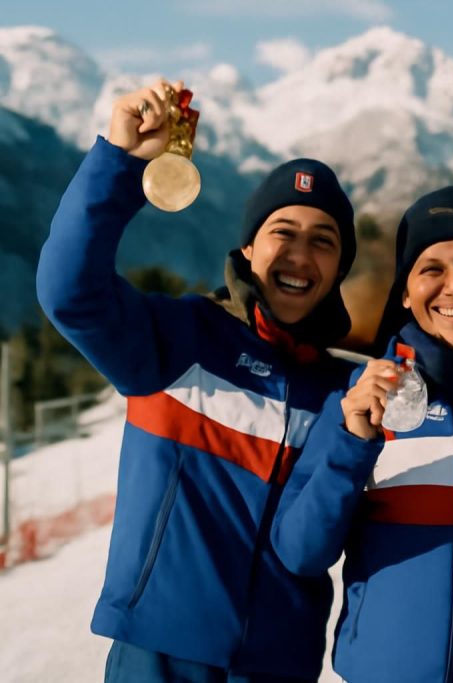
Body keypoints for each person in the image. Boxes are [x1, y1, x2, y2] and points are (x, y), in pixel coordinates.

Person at [36, 79, 358, 682]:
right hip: (159, 656)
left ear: (340, 268)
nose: (299, 255)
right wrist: (122, 162)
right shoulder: (182, 338)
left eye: (323, 241)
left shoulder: (343, 391)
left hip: (277, 666)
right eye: (282, 232)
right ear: (248, 247)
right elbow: (69, 293)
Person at [271, 186, 453, 682]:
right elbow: (300, 552)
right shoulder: (361, 395)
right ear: (405, 292)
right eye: (432, 269)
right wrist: (352, 442)